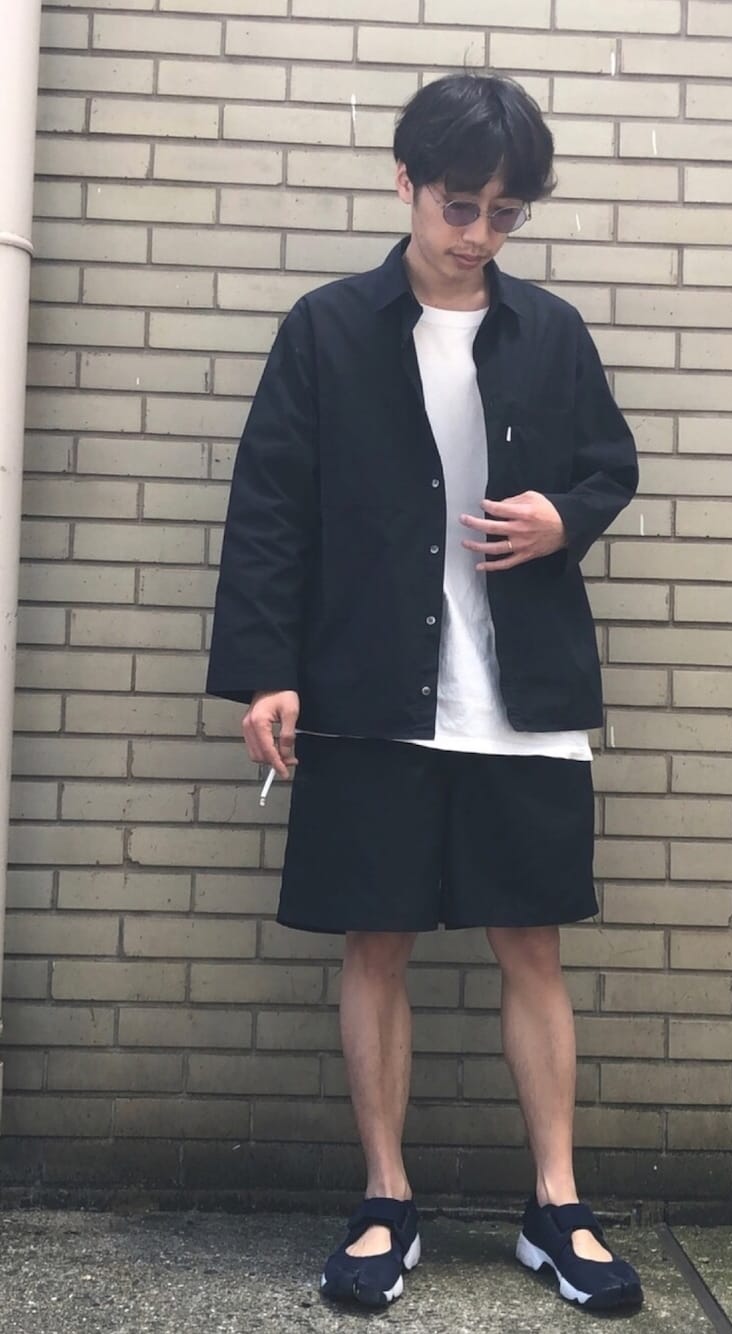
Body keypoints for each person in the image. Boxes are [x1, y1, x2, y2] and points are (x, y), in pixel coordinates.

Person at [206, 72, 641, 1314]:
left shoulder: (549, 331)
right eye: (461, 205)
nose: (480, 232)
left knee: (532, 941)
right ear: (405, 182)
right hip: (367, 685)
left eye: (506, 213)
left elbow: (610, 464)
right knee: (376, 935)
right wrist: (264, 670)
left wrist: (565, 516)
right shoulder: (327, 329)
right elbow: (270, 508)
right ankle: (384, 1197)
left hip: (521, 693)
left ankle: (556, 1204)